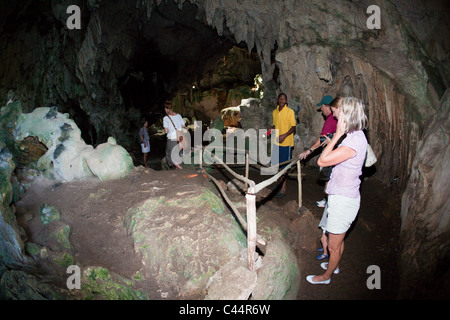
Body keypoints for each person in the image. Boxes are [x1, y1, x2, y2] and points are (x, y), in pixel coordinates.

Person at [306, 96, 368, 285]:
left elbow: (322, 161)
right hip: (341, 196)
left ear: (347, 115)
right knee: (337, 241)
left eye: (339, 113)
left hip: (344, 200)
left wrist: (336, 136)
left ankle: (326, 277)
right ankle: (335, 265)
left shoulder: (353, 141)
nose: (336, 116)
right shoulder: (353, 136)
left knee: (333, 246)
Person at [298, 95, 339, 208]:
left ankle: (329, 203)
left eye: (322, 107)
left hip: (331, 154)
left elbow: (321, 139)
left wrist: (309, 151)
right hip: (336, 153)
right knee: (331, 178)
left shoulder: (330, 119)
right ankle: (328, 201)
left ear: (328, 107)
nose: (321, 109)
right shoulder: (335, 119)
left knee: (328, 178)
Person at [270, 93, 296, 198]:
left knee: (284, 166)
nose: (282, 100)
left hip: (286, 143)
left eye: (284, 99)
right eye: (280, 99)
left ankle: (283, 189)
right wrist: (270, 130)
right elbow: (275, 125)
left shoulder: (290, 112)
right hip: (276, 142)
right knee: (278, 165)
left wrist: (284, 135)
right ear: (278, 100)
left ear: (286, 101)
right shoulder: (275, 112)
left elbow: (293, 127)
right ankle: (279, 185)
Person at [163, 99, 186, 170]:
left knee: (169, 155)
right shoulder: (178, 115)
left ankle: (180, 168)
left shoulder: (166, 118)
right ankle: (177, 169)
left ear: (166, 109)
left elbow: (166, 131)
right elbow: (184, 126)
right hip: (179, 137)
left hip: (172, 138)